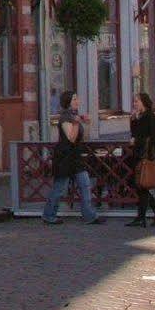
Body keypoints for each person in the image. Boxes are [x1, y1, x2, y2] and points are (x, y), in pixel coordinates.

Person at [41, 91, 100, 225]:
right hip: (65, 157)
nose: (77, 101)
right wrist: (76, 123)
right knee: (59, 188)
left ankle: (89, 215)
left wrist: (84, 122)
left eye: (77, 99)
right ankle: (48, 215)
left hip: (75, 156)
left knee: (85, 184)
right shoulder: (66, 117)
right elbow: (71, 138)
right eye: (74, 99)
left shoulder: (73, 116)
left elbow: (80, 137)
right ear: (68, 101)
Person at [128, 91, 155, 228]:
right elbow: (134, 133)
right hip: (138, 154)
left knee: (142, 185)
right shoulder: (140, 117)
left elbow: (150, 137)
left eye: (137, 101)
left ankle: (145, 216)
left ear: (144, 102)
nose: (134, 104)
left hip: (146, 155)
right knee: (140, 185)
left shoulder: (150, 117)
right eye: (134, 101)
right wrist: (133, 120)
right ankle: (151, 213)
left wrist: (137, 141)